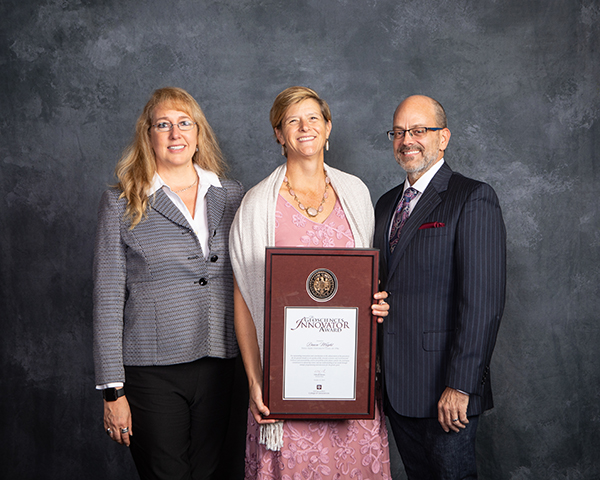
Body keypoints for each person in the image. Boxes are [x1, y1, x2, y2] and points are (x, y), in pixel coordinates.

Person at [229, 86, 392, 479]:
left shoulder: (355, 193)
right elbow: (245, 300)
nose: (305, 127)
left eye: (313, 118)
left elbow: (366, 282)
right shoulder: (257, 205)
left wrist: (378, 303)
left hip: (349, 382)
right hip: (285, 386)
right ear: (278, 134)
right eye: (292, 121)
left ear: (328, 127)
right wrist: (255, 381)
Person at [93, 87, 245, 479]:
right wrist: (113, 390)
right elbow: (108, 299)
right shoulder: (122, 202)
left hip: (222, 363)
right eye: (163, 125)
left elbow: (257, 274)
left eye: (184, 123)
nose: (175, 134)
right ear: (148, 136)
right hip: (151, 372)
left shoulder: (231, 196)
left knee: (214, 473)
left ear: (198, 134)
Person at [374, 95, 506, 479]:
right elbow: (385, 282)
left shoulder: (472, 197)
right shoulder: (385, 205)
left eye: (418, 130)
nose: (407, 140)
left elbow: (483, 303)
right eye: (398, 132)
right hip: (397, 389)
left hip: (447, 391)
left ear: (443, 137)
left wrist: (461, 386)